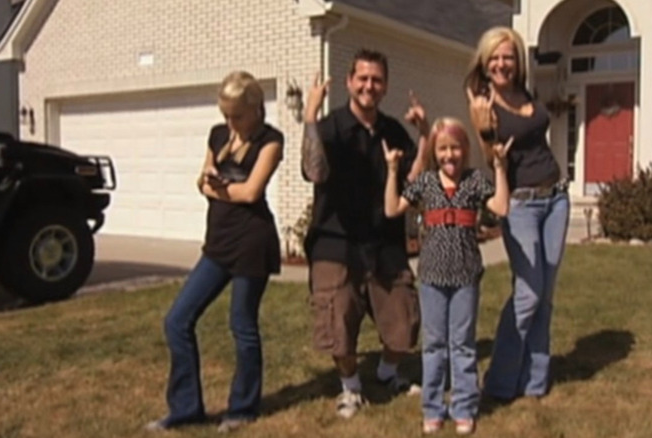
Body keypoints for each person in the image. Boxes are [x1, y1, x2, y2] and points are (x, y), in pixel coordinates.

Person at [146, 71, 284, 433]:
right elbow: (201, 180)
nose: (230, 122)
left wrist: (216, 188)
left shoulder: (271, 141)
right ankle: (186, 408)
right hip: (218, 243)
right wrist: (211, 183)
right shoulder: (218, 135)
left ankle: (243, 408)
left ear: (255, 109)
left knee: (241, 325)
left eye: (237, 115)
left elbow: (251, 193)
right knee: (177, 320)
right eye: (225, 114)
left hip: (252, 243)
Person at [300, 48, 429, 419]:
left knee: (405, 320)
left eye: (376, 80)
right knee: (337, 314)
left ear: (385, 86)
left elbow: (412, 182)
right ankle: (351, 387)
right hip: (334, 240)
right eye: (363, 78)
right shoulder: (331, 127)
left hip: (384, 240)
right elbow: (315, 172)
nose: (369, 86)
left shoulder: (392, 131)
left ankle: (388, 372)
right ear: (349, 82)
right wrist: (310, 115)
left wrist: (424, 134)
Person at [383, 117, 511, 434]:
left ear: (464, 150)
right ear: (435, 153)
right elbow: (391, 209)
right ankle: (433, 408)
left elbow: (502, 207)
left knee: (463, 345)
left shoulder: (474, 180)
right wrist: (391, 171)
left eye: (455, 148)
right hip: (432, 277)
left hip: (465, 275)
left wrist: (500, 168)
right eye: (442, 149)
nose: (449, 155)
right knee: (434, 345)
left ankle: (464, 406)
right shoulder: (426, 183)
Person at [465, 26, 570, 402]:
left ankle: (536, 382)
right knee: (528, 294)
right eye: (494, 57)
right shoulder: (482, 104)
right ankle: (500, 381)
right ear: (484, 61)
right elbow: (488, 158)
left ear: (518, 60)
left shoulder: (528, 92)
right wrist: (488, 135)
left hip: (556, 198)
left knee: (546, 294)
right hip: (521, 204)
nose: (501, 63)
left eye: (508, 56)